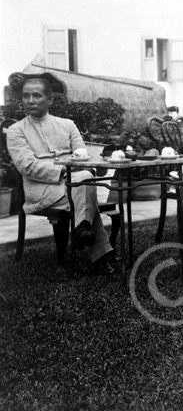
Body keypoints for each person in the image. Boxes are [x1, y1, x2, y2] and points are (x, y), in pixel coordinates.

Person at [6, 77, 115, 275]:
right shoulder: (16, 131)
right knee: (83, 186)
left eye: (37, 95)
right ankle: (97, 250)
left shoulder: (67, 125)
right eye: (26, 96)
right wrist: (65, 170)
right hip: (40, 189)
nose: (30, 100)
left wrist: (79, 169)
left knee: (82, 180)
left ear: (50, 100)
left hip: (74, 185)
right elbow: (27, 166)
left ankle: (82, 228)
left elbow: (82, 155)